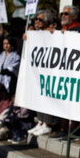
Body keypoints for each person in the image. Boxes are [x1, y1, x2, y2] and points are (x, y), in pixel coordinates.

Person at [27, 9, 56, 137]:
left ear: (47, 21)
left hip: (48, 70)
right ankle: (41, 121)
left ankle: (47, 124)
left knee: (46, 96)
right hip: (37, 71)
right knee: (37, 95)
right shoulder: (35, 35)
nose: (36, 22)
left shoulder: (51, 33)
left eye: (40, 19)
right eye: (35, 19)